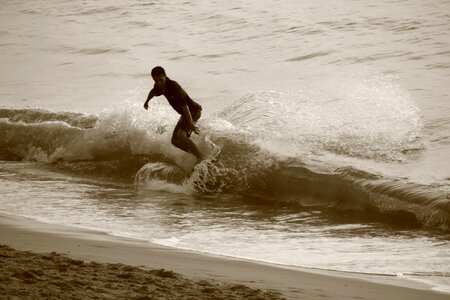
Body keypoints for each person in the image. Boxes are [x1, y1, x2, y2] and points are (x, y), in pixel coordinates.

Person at [143, 66, 203, 161]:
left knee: (180, 135)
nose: (159, 83)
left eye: (161, 80)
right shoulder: (159, 86)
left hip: (193, 111)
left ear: (165, 76)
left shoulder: (173, 87)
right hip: (185, 114)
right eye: (156, 81)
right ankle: (196, 153)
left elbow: (185, 106)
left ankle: (200, 157)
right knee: (174, 141)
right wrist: (147, 102)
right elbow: (153, 92)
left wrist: (191, 123)